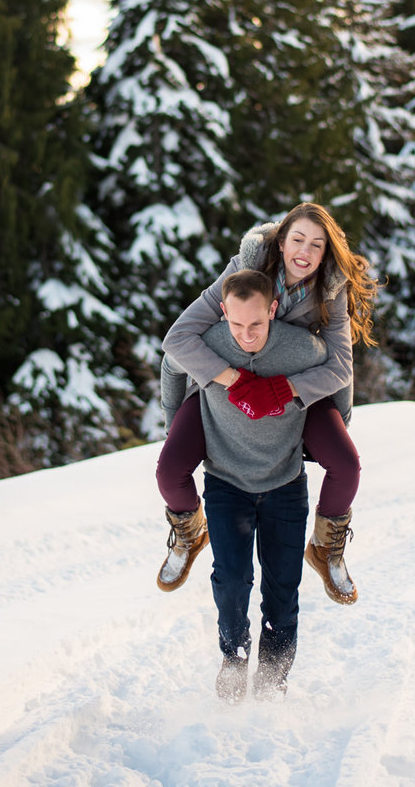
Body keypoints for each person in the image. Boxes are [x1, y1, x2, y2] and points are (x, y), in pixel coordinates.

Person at [155, 202, 376, 605]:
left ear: (327, 251)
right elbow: (179, 337)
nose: (304, 252)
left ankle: (326, 548)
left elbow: (341, 366)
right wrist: (233, 380)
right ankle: (189, 531)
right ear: (281, 239)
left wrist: (283, 391)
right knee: (170, 470)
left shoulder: (330, 288)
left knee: (346, 465)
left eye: (316, 244)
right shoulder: (248, 266)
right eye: (297, 239)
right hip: (231, 382)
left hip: (295, 392)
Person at [160, 267, 336, 701]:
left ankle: (273, 679)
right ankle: (234, 660)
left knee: (282, 588)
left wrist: (334, 423)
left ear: (273, 309)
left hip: (284, 485)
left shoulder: (300, 349)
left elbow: (338, 371)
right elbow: (171, 360)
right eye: (236, 323)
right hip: (226, 483)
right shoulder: (211, 346)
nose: (246, 334)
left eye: (256, 323)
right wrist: (175, 421)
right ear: (223, 313)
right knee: (232, 580)